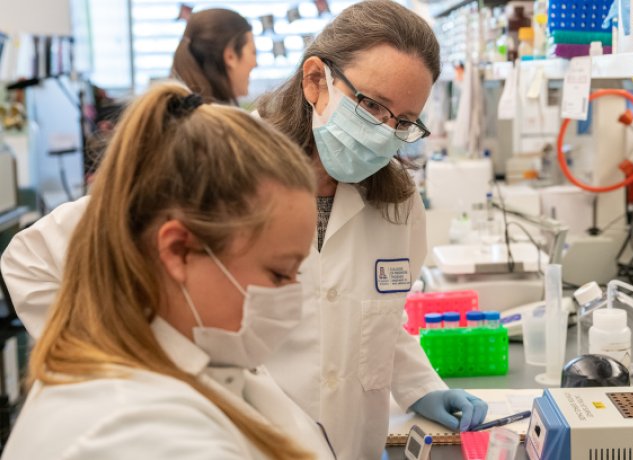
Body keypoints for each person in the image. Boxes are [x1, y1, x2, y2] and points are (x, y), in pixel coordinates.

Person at [0, 82, 335, 460]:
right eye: (278, 274)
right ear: (177, 250)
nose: (291, 297)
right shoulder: (137, 433)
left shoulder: (201, 358)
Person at [256, 1, 488, 457]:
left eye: (403, 121)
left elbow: (373, 321)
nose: (385, 132)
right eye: (373, 106)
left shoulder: (397, 202)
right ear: (316, 81)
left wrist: (421, 387)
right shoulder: (227, 172)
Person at [171, 8, 257, 104]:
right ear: (230, 57)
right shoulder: (217, 118)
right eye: (253, 52)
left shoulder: (180, 111)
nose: (255, 64)